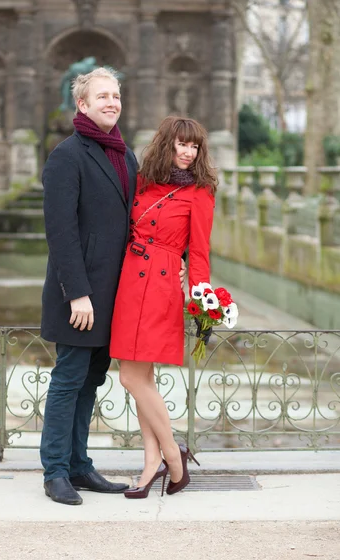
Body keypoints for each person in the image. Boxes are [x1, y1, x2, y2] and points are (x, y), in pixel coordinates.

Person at [40, 67, 137, 505]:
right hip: (78, 295)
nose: (111, 102)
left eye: (115, 95)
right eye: (102, 96)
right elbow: (61, 232)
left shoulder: (125, 155)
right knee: (69, 379)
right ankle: (55, 471)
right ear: (82, 104)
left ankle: (79, 465)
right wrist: (76, 292)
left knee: (92, 381)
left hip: (115, 294)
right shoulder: (67, 154)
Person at [110, 116, 218, 498]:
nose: (188, 153)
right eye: (182, 144)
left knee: (130, 379)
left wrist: (201, 299)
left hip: (161, 283)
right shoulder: (142, 181)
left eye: (195, 147)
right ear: (167, 144)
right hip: (129, 278)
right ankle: (151, 462)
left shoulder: (201, 193)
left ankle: (173, 457)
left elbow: (200, 253)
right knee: (141, 379)